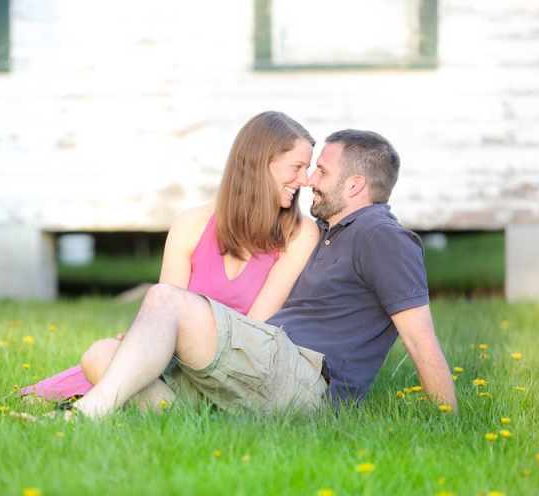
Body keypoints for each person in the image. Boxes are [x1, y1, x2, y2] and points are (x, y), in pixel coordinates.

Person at [69, 128, 458, 420]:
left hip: (306, 380)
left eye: (321, 171)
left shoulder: (383, 238)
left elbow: (419, 336)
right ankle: (196, 425)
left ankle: (81, 417)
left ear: (355, 185)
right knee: (100, 355)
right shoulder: (326, 234)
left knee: (165, 298)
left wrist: (448, 423)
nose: (309, 181)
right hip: (265, 369)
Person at [18, 111, 321, 405]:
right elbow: (162, 312)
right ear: (260, 163)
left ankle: (134, 402)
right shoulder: (191, 224)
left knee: (112, 367)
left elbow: (255, 332)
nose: (305, 180)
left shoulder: (299, 233)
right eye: (297, 167)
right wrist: (143, 339)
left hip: (236, 370)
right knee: (97, 355)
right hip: (175, 366)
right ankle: (169, 408)